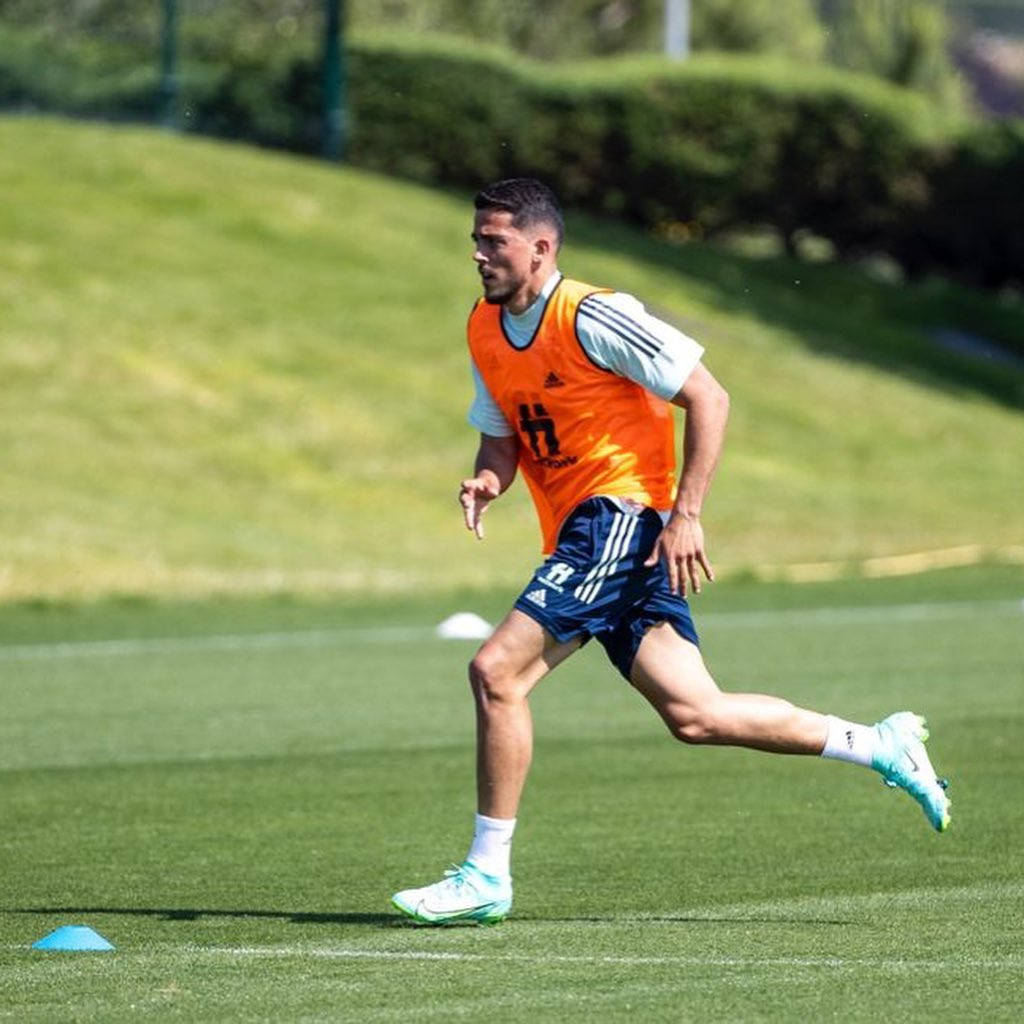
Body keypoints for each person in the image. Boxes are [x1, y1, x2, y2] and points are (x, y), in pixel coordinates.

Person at [391, 178, 950, 926]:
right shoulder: (484, 328)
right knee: (696, 714)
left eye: (493, 240)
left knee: (496, 673)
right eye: (477, 239)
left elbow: (708, 396)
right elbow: (504, 435)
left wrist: (686, 514)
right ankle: (877, 744)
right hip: (586, 536)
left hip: (618, 519)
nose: (478, 254)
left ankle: (485, 873)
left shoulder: (595, 314)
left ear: (541, 246)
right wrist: (490, 480)